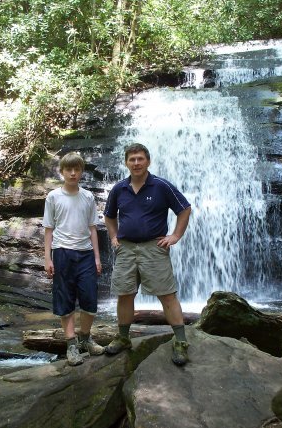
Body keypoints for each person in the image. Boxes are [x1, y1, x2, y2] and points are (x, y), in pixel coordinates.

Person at [103, 143, 192, 366]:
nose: (136, 163)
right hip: (126, 248)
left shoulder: (161, 186)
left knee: (167, 294)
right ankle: (123, 337)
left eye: (140, 159)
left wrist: (175, 236)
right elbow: (109, 215)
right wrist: (113, 237)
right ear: (126, 163)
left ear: (148, 161)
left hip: (155, 247)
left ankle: (180, 341)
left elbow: (184, 208)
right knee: (125, 294)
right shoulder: (118, 189)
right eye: (132, 159)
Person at [43, 152, 105, 366]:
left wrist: (97, 257)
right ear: (62, 172)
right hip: (62, 253)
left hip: (86, 253)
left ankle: (85, 339)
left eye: (76, 169)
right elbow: (49, 230)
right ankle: (71, 345)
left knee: (90, 301)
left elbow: (93, 229)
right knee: (65, 300)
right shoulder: (53, 197)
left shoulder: (88, 196)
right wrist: (47, 258)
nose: (72, 173)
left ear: (81, 172)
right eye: (68, 169)